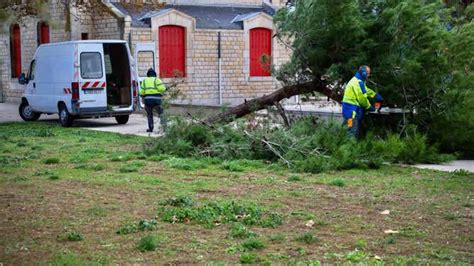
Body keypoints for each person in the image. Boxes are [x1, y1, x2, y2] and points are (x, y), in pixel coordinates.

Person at [341, 65, 383, 138]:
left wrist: (374, 95)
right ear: (363, 73)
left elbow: (365, 90)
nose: (369, 75)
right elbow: (362, 98)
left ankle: (343, 146)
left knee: (348, 130)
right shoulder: (358, 82)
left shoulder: (358, 80)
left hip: (349, 112)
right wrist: (369, 106)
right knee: (352, 133)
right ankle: (349, 148)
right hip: (352, 113)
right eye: (368, 73)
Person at [139, 68, 167, 133]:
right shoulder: (157, 80)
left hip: (148, 100)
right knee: (161, 113)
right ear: (154, 74)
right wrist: (165, 89)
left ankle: (150, 128)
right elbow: (162, 89)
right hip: (157, 100)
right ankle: (164, 128)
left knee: (149, 114)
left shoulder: (144, 81)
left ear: (148, 75)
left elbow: (141, 93)